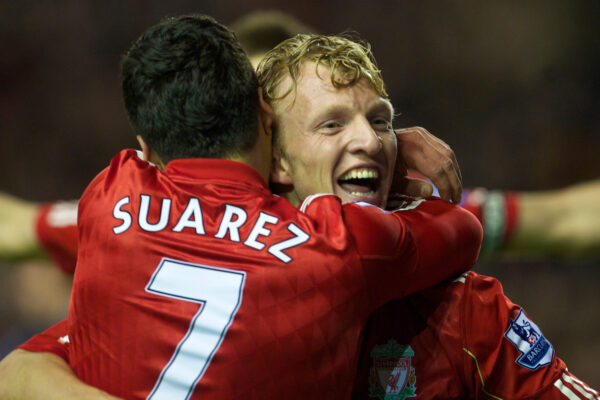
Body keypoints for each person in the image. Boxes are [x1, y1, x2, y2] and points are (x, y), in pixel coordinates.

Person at [2, 30, 598, 400]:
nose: (367, 139)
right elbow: (22, 372)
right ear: (272, 153)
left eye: (382, 120)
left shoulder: (463, 306)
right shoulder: (179, 279)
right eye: (332, 123)